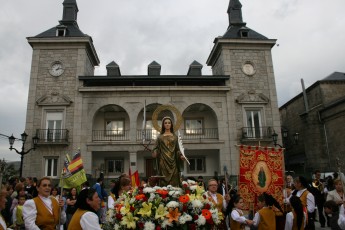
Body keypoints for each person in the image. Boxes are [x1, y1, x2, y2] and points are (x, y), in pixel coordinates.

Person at [152, 116, 185, 187]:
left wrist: (180, 155)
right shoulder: (159, 137)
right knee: (163, 179)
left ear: (171, 125)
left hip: (173, 162)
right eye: (165, 123)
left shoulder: (175, 137)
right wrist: (155, 152)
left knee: (175, 178)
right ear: (163, 125)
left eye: (169, 123)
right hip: (163, 161)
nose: (167, 124)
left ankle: (175, 194)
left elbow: (178, 149)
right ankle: (163, 195)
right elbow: (156, 148)